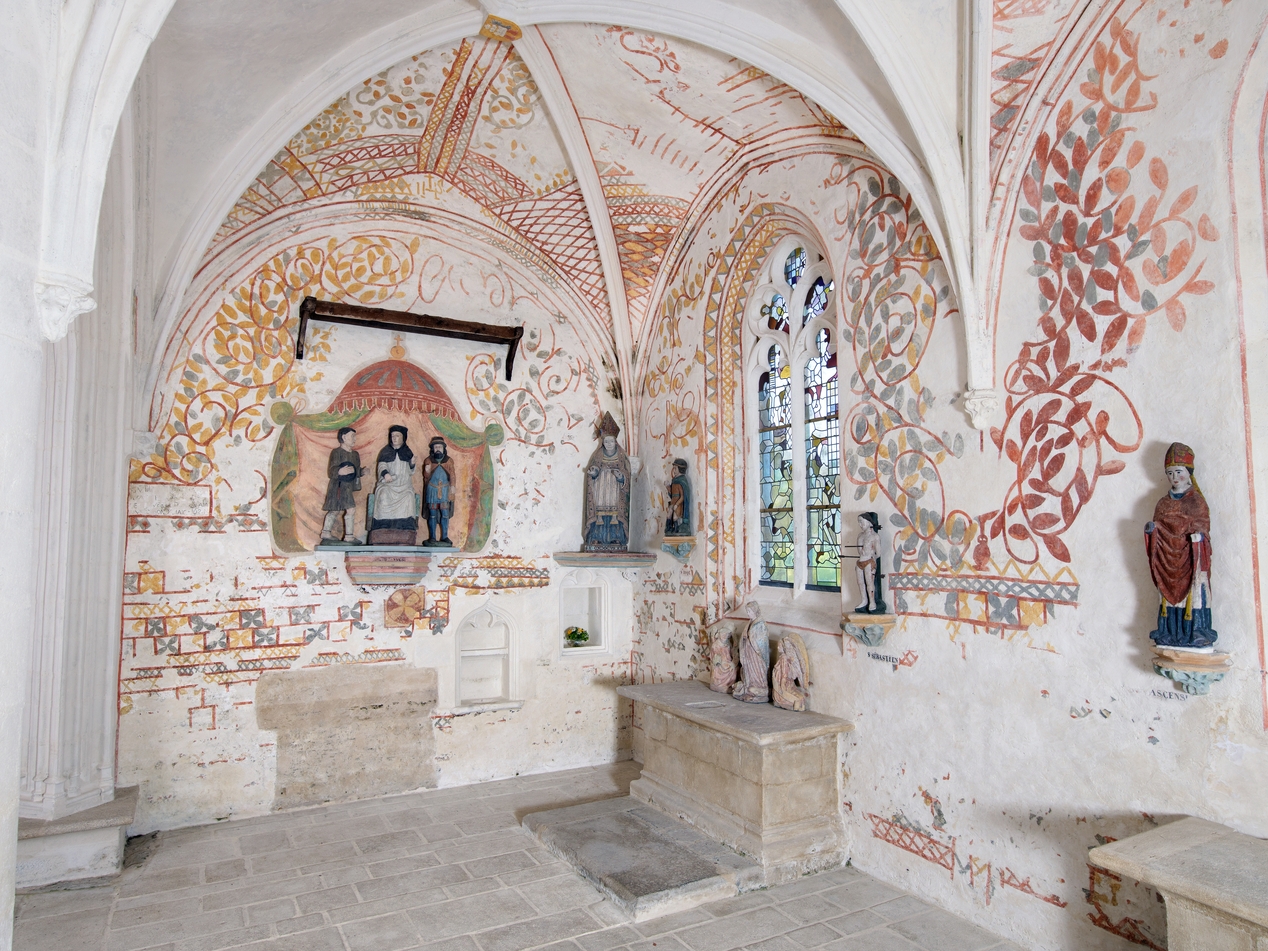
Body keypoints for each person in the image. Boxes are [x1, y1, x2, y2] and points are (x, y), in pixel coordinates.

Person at [1145, 442, 1217, 649]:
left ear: (1188, 473)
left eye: (1178, 472)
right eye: (1170, 473)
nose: (1174, 477)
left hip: (1191, 558)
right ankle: (1168, 632)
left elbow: (1203, 527)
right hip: (1167, 561)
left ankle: (1196, 632)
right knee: (1166, 598)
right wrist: (1152, 530)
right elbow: (1159, 526)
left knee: (1195, 595)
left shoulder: (1197, 502)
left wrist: (1199, 537)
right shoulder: (1163, 503)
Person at [582, 412, 631, 551]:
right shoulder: (597, 456)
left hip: (615, 494)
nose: (609, 444)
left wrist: (621, 477)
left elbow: (626, 476)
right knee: (600, 516)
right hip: (600, 493)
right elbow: (594, 471)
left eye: (611, 441)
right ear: (602, 442)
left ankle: (617, 538)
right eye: (606, 442)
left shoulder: (621, 457)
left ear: (615, 442)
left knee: (615, 516)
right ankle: (596, 538)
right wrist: (593, 473)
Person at [370, 425, 418, 539]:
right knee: (383, 494)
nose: (394, 438)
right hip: (388, 484)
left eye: (397, 436)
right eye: (392, 436)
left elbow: (411, 472)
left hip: (404, 486)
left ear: (403, 437)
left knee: (408, 497)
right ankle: (383, 524)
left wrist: (412, 464)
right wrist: (385, 474)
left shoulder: (407, 452)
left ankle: (405, 524)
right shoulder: (385, 451)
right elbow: (382, 465)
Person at [320, 427, 364, 544]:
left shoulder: (355, 455)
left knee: (343, 509)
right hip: (338, 486)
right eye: (352, 436)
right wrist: (339, 471)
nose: (354, 439)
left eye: (355, 436)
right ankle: (347, 536)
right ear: (344, 437)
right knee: (338, 509)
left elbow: (356, 470)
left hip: (347, 487)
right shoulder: (336, 452)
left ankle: (327, 532)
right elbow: (331, 471)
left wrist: (362, 471)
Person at [732, 601, 770, 703]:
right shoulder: (750, 623)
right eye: (747, 611)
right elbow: (745, 635)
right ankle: (749, 686)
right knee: (749, 670)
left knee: (757, 670)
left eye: (750, 611)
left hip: (756, 653)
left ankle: (759, 687)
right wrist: (745, 638)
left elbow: (762, 641)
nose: (748, 613)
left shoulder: (760, 624)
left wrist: (750, 638)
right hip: (748, 652)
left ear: (755, 611)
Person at [421, 436, 455, 547]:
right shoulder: (428, 460)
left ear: (443, 448)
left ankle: (444, 536)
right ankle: (432, 537)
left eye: (440, 447)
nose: (438, 449)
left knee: (445, 513)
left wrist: (452, 486)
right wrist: (426, 471)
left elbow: (452, 475)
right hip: (432, 490)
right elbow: (426, 476)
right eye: (436, 447)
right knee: (432, 514)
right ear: (433, 449)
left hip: (444, 490)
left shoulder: (449, 461)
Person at [855, 512, 885, 613]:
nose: (860, 524)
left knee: (869, 582)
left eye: (861, 522)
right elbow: (859, 550)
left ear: (868, 522)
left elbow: (878, 553)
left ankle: (872, 602)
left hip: (869, 561)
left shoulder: (875, 536)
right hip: (860, 561)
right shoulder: (860, 536)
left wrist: (872, 558)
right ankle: (864, 600)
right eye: (859, 522)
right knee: (860, 582)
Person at [665, 458, 692, 536]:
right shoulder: (674, 481)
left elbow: (683, 496)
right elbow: (672, 494)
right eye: (674, 468)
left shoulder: (682, 481)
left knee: (675, 517)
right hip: (673, 502)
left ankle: (677, 529)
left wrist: (677, 504)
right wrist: (667, 487)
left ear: (680, 469)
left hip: (678, 504)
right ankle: (669, 528)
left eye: (675, 468)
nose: (674, 471)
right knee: (669, 514)